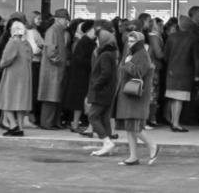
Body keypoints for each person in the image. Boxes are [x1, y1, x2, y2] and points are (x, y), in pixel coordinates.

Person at [115, 30, 160, 165]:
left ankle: (153, 145)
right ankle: (133, 156)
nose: (130, 43)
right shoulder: (133, 53)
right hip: (129, 94)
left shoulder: (142, 54)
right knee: (130, 126)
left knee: (135, 126)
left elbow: (139, 72)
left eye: (133, 41)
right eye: (128, 41)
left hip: (136, 95)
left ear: (139, 42)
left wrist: (128, 63)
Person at [0, 21, 33, 136]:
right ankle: (20, 128)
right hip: (24, 76)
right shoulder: (26, 43)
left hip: (12, 76)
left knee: (6, 101)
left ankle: (13, 125)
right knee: (20, 104)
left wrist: (1, 64)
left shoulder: (12, 42)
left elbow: (5, 60)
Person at [163, 15, 199, 132]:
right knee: (179, 99)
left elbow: (165, 56)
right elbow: (197, 59)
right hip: (185, 72)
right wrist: (197, 74)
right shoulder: (194, 38)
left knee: (174, 98)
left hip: (172, 71)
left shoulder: (171, 37)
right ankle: (176, 123)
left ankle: (174, 122)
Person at [88, 29, 119, 157]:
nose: (96, 40)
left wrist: (96, 85)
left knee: (93, 116)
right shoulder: (111, 53)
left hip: (101, 91)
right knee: (104, 117)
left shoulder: (105, 54)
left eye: (98, 38)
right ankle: (108, 144)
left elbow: (105, 73)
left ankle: (106, 142)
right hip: (108, 91)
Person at [38, 9, 69, 130]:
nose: (67, 22)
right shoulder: (52, 31)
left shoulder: (59, 31)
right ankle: (47, 123)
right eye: (66, 20)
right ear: (58, 19)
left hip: (57, 69)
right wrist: (60, 61)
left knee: (55, 97)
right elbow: (51, 52)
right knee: (50, 97)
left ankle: (54, 122)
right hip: (52, 70)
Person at [66, 19, 96, 132]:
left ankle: (76, 124)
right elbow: (80, 60)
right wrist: (93, 63)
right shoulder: (85, 42)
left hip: (82, 75)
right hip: (81, 77)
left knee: (80, 102)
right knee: (80, 101)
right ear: (89, 30)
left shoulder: (86, 41)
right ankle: (76, 124)